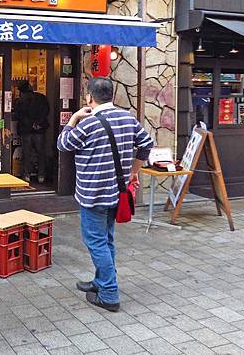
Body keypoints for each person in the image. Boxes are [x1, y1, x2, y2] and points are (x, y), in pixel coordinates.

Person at [57, 77, 154, 312]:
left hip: (93, 194)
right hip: (117, 192)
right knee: (106, 239)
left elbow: (63, 144)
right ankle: (101, 282)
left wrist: (73, 118)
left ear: (89, 97)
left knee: (96, 242)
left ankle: (109, 293)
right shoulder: (127, 117)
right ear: (112, 94)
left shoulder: (87, 124)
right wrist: (133, 172)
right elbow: (146, 143)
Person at [14, 80, 50, 183]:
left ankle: (26, 175)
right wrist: (38, 123)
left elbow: (19, 114)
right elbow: (46, 110)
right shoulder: (41, 97)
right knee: (41, 153)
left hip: (26, 130)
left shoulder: (20, 100)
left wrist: (30, 124)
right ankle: (41, 176)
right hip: (39, 129)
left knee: (27, 153)